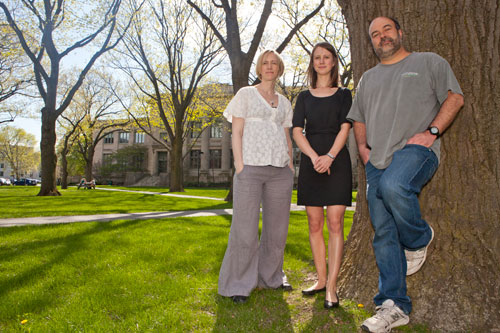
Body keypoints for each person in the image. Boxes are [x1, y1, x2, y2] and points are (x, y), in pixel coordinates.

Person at [347, 17, 464, 332]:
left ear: (400, 32)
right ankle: (393, 306)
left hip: (415, 152)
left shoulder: (428, 62)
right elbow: (358, 116)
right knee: (383, 232)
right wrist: (362, 147)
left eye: (387, 30)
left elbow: (455, 97)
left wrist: (432, 132)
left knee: (395, 186)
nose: (381, 36)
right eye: (374, 34)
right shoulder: (368, 78)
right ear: (371, 43)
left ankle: (418, 238)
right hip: (377, 158)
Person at [218, 49, 295, 304]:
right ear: (259, 69)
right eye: (265, 63)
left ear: (279, 68)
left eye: (274, 63)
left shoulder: (284, 102)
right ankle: (238, 284)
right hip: (250, 168)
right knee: (245, 229)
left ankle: (270, 277)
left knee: (277, 229)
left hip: (279, 171)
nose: (270, 67)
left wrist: (290, 164)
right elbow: (236, 132)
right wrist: (240, 165)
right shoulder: (246, 95)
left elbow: (287, 135)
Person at [292, 42, 352, 309]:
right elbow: (296, 131)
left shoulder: (344, 94)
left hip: (337, 161)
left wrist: (329, 156)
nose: (322, 61)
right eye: (317, 57)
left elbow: (345, 128)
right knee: (314, 224)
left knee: (335, 222)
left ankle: (333, 287)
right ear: (312, 63)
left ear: (334, 61)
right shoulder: (303, 97)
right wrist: (314, 157)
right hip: (310, 160)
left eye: (326, 57)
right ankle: (320, 279)